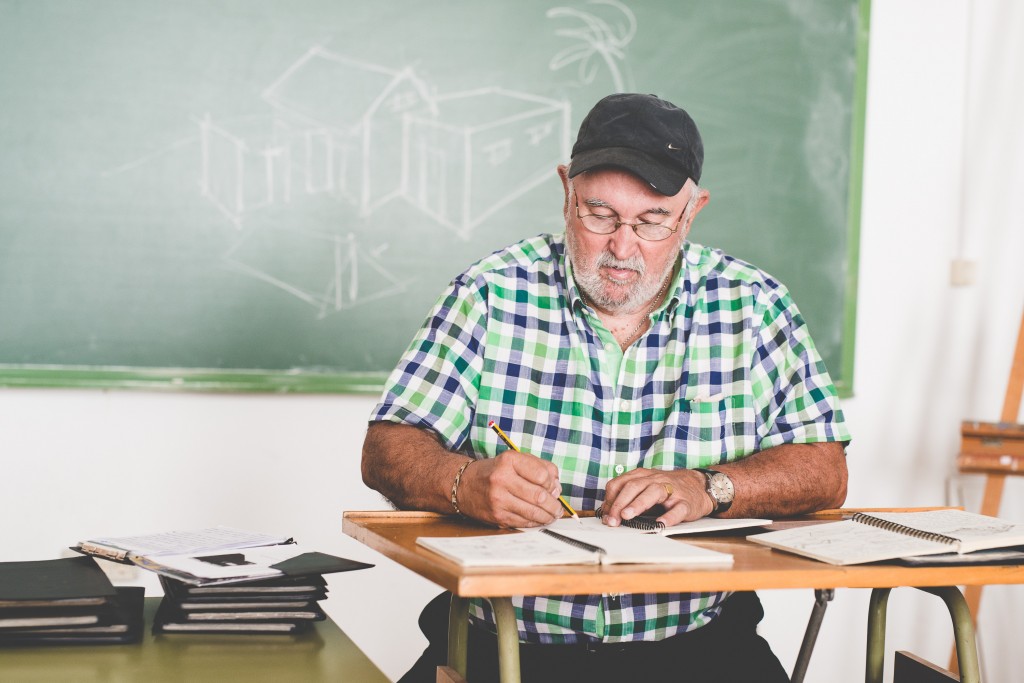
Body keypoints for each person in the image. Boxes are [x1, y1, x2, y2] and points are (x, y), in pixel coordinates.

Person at [362, 92, 850, 682]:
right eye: (600, 215)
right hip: (504, 645)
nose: (622, 248)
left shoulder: (753, 305)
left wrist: (710, 487)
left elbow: (824, 466)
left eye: (652, 222)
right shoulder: (489, 293)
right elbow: (387, 446)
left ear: (691, 212)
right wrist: (463, 481)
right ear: (567, 190)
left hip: (698, 648)